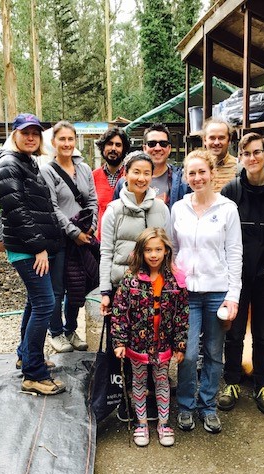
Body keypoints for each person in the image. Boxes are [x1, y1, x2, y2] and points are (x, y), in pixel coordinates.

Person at [218, 132, 264, 415]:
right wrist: (228, 275)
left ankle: (263, 384)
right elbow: (221, 235)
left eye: (258, 152)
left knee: (262, 333)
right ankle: (232, 382)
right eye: (247, 153)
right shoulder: (231, 191)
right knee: (234, 331)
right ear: (241, 157)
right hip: (236, 277)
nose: (253, 158)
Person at [0, 113, 65, 395]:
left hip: (31, 246)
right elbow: (17, 211)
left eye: (36, 133)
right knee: (45, 305)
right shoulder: (9, 164)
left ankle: (26, 355)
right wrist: (39, 248)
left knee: (35, 303)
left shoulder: (27, 161)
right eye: (26, 132)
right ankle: (33, 374)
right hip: (27, 249)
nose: (31, 137)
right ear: (15, 134)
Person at [170, 149, 242, 434]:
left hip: (216, 291)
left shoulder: (227, 209)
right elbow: (172, 250)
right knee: (187, 354)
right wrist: (175, 284)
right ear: (186, 177)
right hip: (187, 293)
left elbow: (234, 254)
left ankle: (208, 405)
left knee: (213, 352)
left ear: (212, 174)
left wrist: (232, 295)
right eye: (192, 173)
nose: (197, 177)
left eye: (202, 172)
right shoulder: (179, 208)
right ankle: (186, 406)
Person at [99, 150, 171, 422]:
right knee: (125, 345)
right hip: (123, 290)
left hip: (155, 288)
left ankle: (152, 397)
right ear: (125, 174)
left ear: (153, 176)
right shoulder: (114, 211)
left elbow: (169, 248)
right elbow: (106, 252)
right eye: (136, 172)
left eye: (146, 173)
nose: (141, 178)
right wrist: (105, 291)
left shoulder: (161, 209)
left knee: (154, 342)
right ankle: (127, 398)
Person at [111, 227, 189, 447]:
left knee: (162, 381)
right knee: (138, 381)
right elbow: (119, 312)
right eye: (148, 250)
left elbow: (182, 315)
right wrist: (119, 342)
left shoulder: (175, 281)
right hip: (137, 344)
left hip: (163, 344)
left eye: (158, 249)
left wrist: (180, 345)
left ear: (166, 251)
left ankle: (163, 424)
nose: (153, 254)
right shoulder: (130, 279)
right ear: (141, 252)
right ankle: (142, 423)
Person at [41, 121, 96, 353]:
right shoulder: (47, 171)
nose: (66, 144)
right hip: (60, 237)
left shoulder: (84, 169)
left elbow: (93, 201)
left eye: (70, 139)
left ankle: (71, 328)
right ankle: (56, 332)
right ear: (53, 143)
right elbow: (52, 207)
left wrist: (90, 227)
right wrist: (74, 232)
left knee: (78, 284)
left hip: (84, 235)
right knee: (58, 287)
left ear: (75, 142)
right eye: (61, 139)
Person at [113, 123, 188, 210]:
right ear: (144, 148)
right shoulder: (125, 182)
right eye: (152, 144)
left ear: (169, 148)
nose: (157, 148)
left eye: (163, 144)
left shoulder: (181, 181)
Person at [93, 127, 130, 240]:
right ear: (103, 147)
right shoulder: (92, 177)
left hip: (125, 241)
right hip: (101, 242)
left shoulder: (131, 177)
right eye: (109, 144)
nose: (113, 148)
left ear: (124, 149)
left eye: (118, 145)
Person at [201, 117, 239, 193]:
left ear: (229, 140)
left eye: (221, 138)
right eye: (212, 138)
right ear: (205, 140)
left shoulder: (239, 167)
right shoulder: (196, 167)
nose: (216, 143)